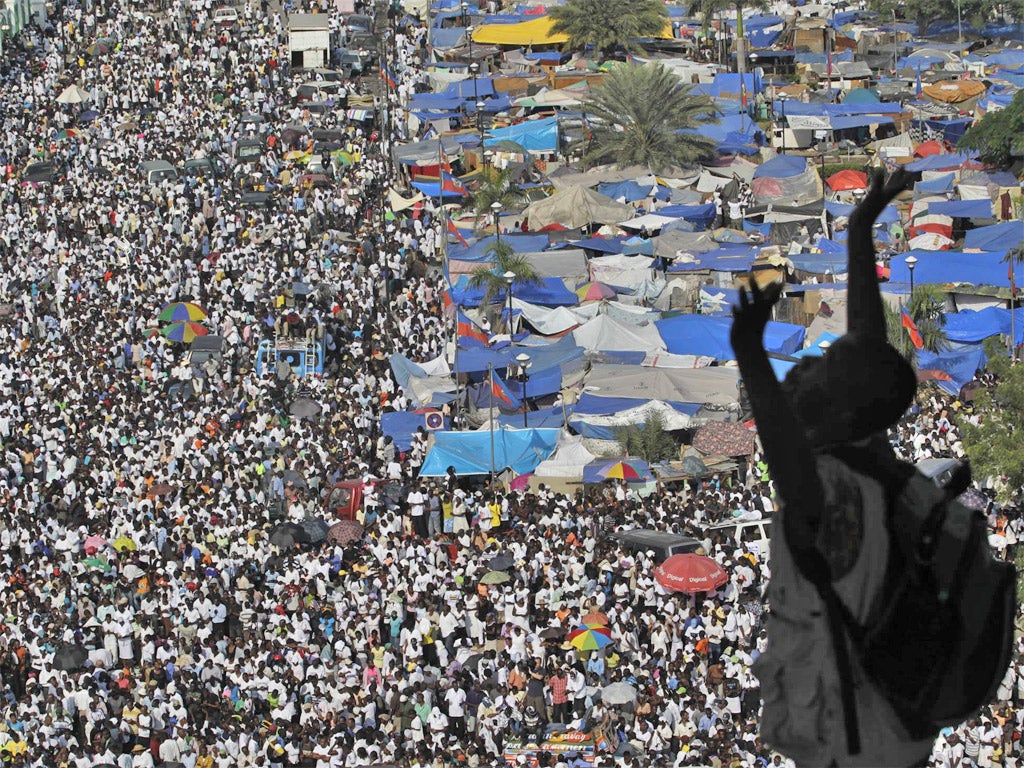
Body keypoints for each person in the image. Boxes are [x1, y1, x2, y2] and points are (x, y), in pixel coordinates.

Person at [730, 168, 936, 767]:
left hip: (853, 733)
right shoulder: (878, 460)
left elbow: (786, 459)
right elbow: (866, 341)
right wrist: (861, 226)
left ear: (837, 409)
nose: (804, 367)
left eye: (817, 370)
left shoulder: (835, 487)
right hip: (897, 722)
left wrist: (750, 355)